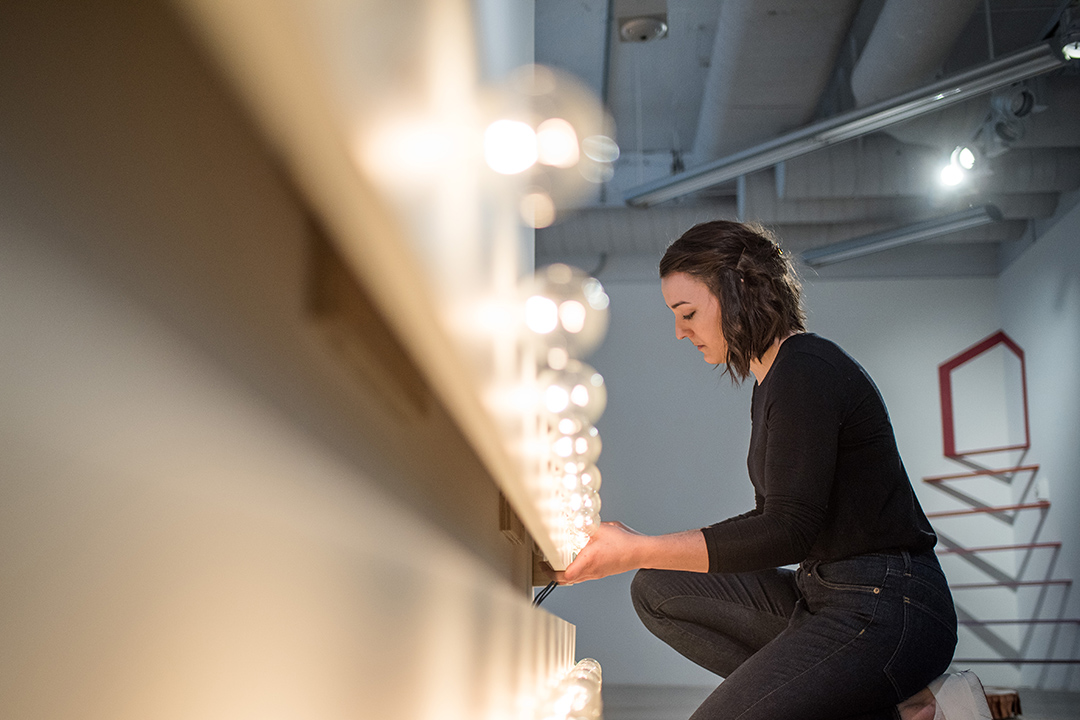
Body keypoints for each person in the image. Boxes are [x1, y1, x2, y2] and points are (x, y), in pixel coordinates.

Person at [555, 221, 992, 720]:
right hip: (823, 593)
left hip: (889, 604)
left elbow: (787, 531)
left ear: (738, 290)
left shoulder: (805, 369)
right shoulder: (773, 382)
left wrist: (640, 547)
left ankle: (911, 707)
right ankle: (914, 711)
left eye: (688, 313)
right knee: (657, 586)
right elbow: (777, 519)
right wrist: (642, 551)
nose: (680, 331)